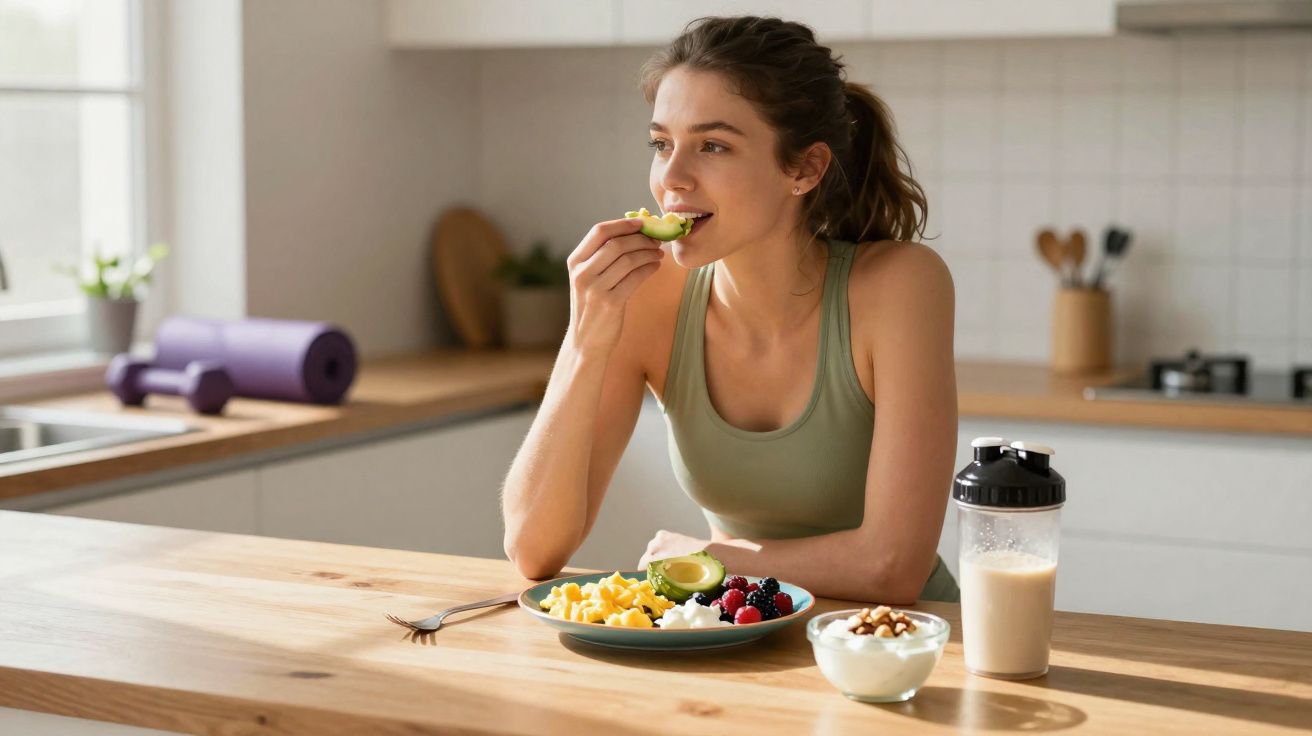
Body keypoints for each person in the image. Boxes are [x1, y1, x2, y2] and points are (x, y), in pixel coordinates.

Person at [501, 15, 959, 603]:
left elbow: (891, 568)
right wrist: (586, 337)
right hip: (746, 631)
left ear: (804, 168)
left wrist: (712, 557)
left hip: (903, 647)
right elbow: (534, 548)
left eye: (712, 146)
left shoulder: (899, 286)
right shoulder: (650, 296)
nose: (671, 178)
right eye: (662, 144)